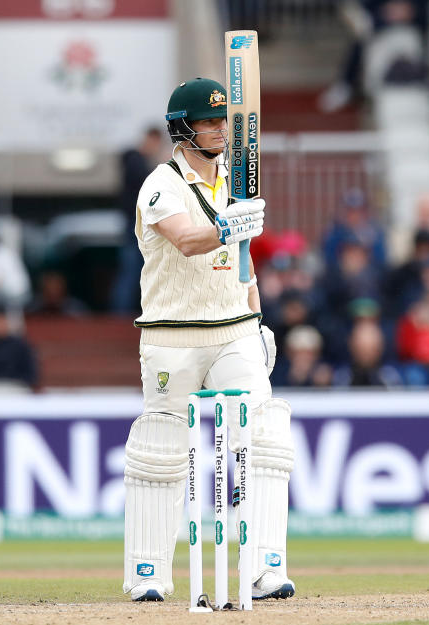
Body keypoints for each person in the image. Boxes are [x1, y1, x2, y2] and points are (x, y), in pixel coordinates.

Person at [122, 77, 293, 603]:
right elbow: (186, 238)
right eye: (210, 121)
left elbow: (245, 269)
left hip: (233, 330)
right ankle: (148, 572)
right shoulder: (160, 184)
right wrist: (228, 225)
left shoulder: (234, 182)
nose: (222, 130)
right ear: (182, 128)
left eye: (225, 121)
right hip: (172, 335)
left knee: (264, 435)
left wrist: (258, 320)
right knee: (162, 448)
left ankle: (264, 566)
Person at [111, 127, 164, 314]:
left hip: (139, 224)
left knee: (137, 269)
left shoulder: (136, 162)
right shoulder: (136, 162)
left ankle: (124, 312)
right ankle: (121, 315)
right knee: (133, 269)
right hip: (137, 225)